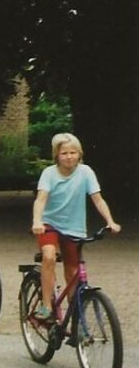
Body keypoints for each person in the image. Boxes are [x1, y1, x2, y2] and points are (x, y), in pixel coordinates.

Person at [30, 133, 121, 320]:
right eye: (64, 153)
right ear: (57, 155)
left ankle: (74, 312)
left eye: (73, 152)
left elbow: (98, 199)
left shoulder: (86, 172)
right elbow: (40, 200)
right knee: (49, 257)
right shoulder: (49, 174)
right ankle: (46, 305)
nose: (69, 156)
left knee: (73, 270)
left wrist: (110, 221)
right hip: (49, 225)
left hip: (73, 227)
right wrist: (37, 221)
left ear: (80, 154)